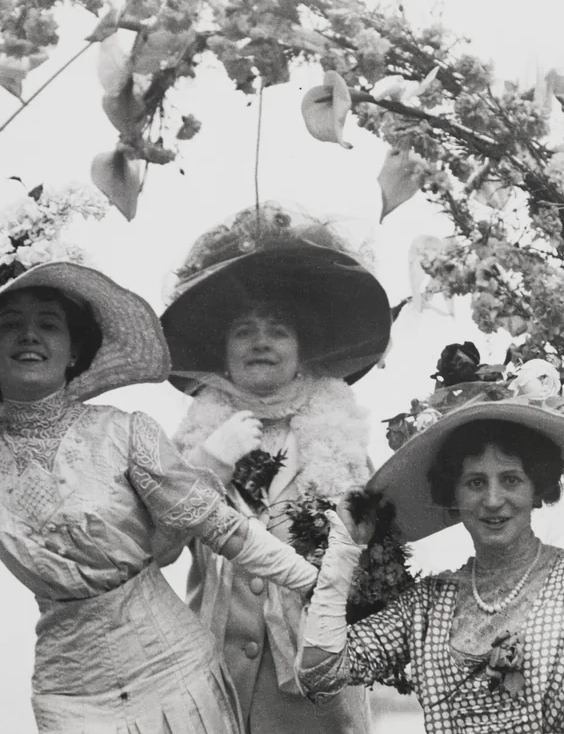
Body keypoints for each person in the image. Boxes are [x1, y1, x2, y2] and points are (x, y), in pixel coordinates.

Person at [0, 230, 320, 734]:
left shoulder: (125, 432)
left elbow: (223, 529)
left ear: (74, 350)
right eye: (9, 324)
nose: (29, 336)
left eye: (48, 325)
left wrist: (314, 583)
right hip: (70, 693)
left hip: (176, 674)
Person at [158, 205, 392, 734]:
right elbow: (159, 546)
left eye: (278, 330)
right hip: (213, 683)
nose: (261, 342)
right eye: (244, 330)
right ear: (223, 349)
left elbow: (376, 558)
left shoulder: (344, 438)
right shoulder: (196, 438)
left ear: (301, 346)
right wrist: (209, 463)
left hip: (314, 690)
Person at [299, 397, 564, 733]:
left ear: (537, 488)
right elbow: (320, 674)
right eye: (475, 483)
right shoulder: (426, 606)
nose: (493, 500)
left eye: (511, 480)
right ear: (454, 496)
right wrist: (345, 549)